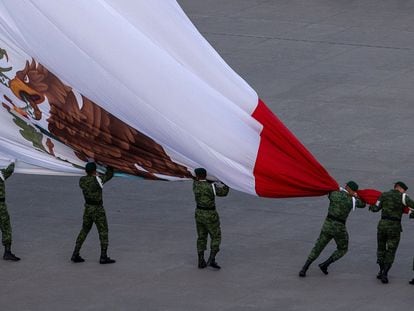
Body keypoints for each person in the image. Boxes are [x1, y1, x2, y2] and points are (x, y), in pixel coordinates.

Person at [299, 181, 365, 277]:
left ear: (347, 187)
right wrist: (356, 195)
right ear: (351, 190)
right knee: (343, 248)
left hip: (328, 225)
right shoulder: (352, 200)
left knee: (318, 247)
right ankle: (325, 264)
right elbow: (363, 204)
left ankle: (304, 268)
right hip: (339, 228)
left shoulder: (335, 194)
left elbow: (328, 193)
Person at [369, 181, 414, 284]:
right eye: (404, 190)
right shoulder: (403, 197)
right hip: (394, 227)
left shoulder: (383, 195)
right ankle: (385, 273)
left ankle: (381, 271)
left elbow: (376, 208)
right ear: (399, 188)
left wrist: (371, 207)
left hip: (382, 226)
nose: (404, 191)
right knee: (391, 250)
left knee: (381, 248)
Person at [71, 162, 115, 264]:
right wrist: (108, 164)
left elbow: (90, 180)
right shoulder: (97, 180)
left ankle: (75, 253)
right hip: (98, 209)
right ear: (95, 170)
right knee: (103, 231)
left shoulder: (82, 180)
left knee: (84, 230)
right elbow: (110, 175)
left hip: (87, 209)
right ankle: (103, 256)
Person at [193, 168, 229, 269]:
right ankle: (212, 259)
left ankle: (201, 260)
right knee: (216, 236)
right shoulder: (210, 187)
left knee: (201, 237)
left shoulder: (195, 184)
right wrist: (227, 184)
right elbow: (223, 193)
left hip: (199, 214)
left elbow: (199, 180)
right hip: (210, 214)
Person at [0, 161, 20, 261]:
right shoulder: (1, 174)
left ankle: (7, 253)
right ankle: (7, 252)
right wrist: (12, 159)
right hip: (1, 205)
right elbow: (10, 169)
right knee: (6, 227)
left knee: (6, 227)